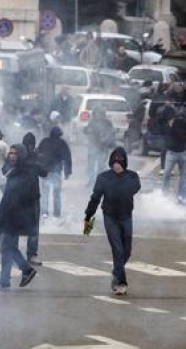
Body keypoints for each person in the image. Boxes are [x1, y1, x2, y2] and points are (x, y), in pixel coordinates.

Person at [84, 147, 141, 296]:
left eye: (120, 161)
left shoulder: (132, 177)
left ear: (124, 162)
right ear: (110, 162)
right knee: (118, 249)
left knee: (127, 251)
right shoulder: (103, 177)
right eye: (114, 161)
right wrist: (88, 216)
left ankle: (116, 272)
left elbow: (135, 188)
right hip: (110, 217)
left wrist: (121, 179)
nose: (117, 164)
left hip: (126, 216)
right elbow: (95, 198)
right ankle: (121, 282)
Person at [0, 144, 39, 291]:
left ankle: (25, 269)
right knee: (8, 248)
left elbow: (32, 196)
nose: (12, 156)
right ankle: (4, 279)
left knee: (6, 247)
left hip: (16, 216)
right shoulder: (13, 170)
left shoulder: (27, 172)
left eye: (15, 154)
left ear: (21, 155)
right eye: (11, 153)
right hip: (8, 214)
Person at [21, 132, 47, 266]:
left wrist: (39, 160)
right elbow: (6, 169)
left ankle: (32, 253)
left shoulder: (36, 157)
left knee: (33, 226)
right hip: (19, 195)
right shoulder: (18, 155)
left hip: (33, 195)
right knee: (13, 225)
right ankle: (11, 251)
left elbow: (44, 172)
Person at [162, 108, 186, 202]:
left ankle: (179, 194)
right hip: (173, 152)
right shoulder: (174, 123)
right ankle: (168, 193)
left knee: (178, 174)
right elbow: (166, 132)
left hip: (181, 152)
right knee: (169, 173)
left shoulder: (183, 123)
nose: (180, 120)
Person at [37, 126, 72, 219]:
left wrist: (38, 167)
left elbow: (37, 154)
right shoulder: (62, 143)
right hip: (56, 171)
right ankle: (57, 212)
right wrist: (67, 171)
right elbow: (67, 158)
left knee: (45, 192)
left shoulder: (44, 141)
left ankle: (44, 212)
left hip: (44, 171)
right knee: (56, 192)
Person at [84, 108, 115, 187]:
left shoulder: (107, 123)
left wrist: (105, 139)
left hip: (103, 147)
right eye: (97, 114)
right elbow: (88, 131)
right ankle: (91, 180)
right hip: (93, 146)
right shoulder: (92, 122)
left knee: (101, 165)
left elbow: (111, 133)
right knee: (91, 164)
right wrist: (88, 132)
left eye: (100, 114)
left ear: (103, 115)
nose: (98, 116)